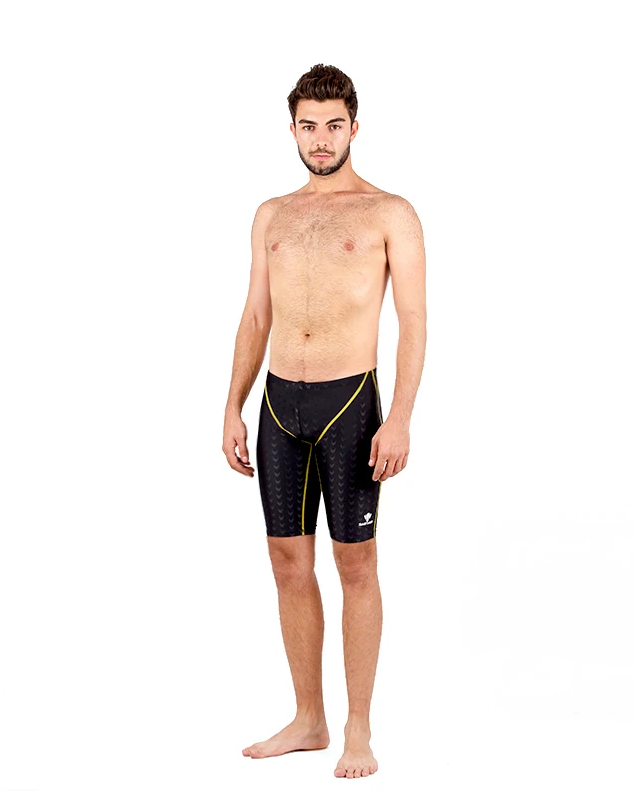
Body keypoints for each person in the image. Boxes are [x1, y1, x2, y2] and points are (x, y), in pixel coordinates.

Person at [222, 63, 427, 780]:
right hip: (279, 405)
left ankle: (358, 728)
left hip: (351, 406)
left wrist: (399, 418)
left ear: (354, 128)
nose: (320, 138)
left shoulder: (389, 212)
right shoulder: (271, 215)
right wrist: (231, 405)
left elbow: (414, 322)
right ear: (292, 130)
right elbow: (255, 316)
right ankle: (308, 718)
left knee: (356, 562)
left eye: (333, 125)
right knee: (287, 562)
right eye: (308, 125)